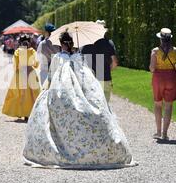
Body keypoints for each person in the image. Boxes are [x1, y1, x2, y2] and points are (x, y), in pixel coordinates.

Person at [23, 32, 137, 169]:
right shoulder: (80, 58)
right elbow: (87, 77)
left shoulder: (58, 58)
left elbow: (51, 78)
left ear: (61, 43)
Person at [149, 28, 176, 141]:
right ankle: (165, 133)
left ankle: (158, 131)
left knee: (158, 104)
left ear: (160, 39)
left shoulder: (155, 51)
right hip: (171, 78)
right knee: (168, 106)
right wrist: (174, 67)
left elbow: (152, 69)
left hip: (158, 78)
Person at [2, 35, 40, 121]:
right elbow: (37, 63)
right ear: (29, 42)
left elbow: (15, 64)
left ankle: (21, 112)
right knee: (32, 93)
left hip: (21, 73)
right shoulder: (32, 51)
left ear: (20, 42)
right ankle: (30, 112)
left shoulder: (18, 51)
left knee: (19, 93)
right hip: (30, 72)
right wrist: (31, 66)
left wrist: (17, 71)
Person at [81, 20, 119, 104]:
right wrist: (109, 69)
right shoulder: (109, 43)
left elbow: (81, 62)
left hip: (90, 79)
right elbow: (115, 63)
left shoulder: (86, 44)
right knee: (104, 107)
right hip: (104, 78)